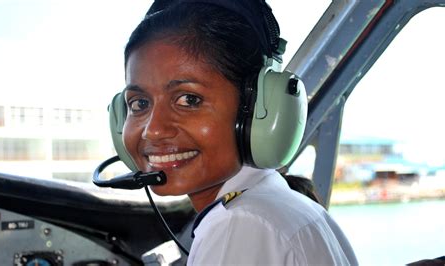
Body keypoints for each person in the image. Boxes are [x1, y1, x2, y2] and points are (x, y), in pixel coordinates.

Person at [119, 0, 358, 264]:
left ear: (255, 109)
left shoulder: (241, 226)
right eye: (139, 103)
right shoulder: (273, 208)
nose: (153, 131)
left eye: (189, 100)